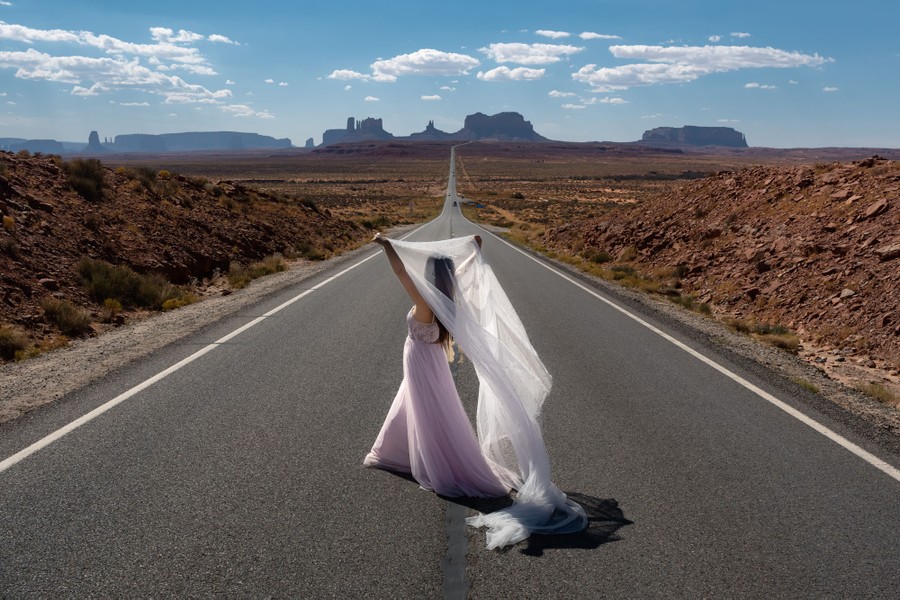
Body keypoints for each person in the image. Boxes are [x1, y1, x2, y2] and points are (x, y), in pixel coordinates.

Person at [364, 233, 587, 549]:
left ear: (428, 278)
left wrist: (386, 245)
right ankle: (395, 449)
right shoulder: (447, 300)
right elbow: (464, 273)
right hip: (431, 363)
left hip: (419, 363)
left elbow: (401, 272)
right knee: (420, 407)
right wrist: (475, 250)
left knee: (425, 411)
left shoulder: (425, 302)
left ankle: (435, 462)